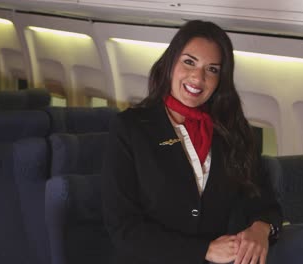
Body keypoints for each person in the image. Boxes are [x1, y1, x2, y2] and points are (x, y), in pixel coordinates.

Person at [102, 20, 282, 264]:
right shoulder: (131, 128)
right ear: (170, 64)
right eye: (189, 62)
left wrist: (262, 228)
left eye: (212, 69)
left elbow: (262, 200)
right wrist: (203, 250)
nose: (198, 77)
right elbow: (123, 229)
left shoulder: (231, 132)